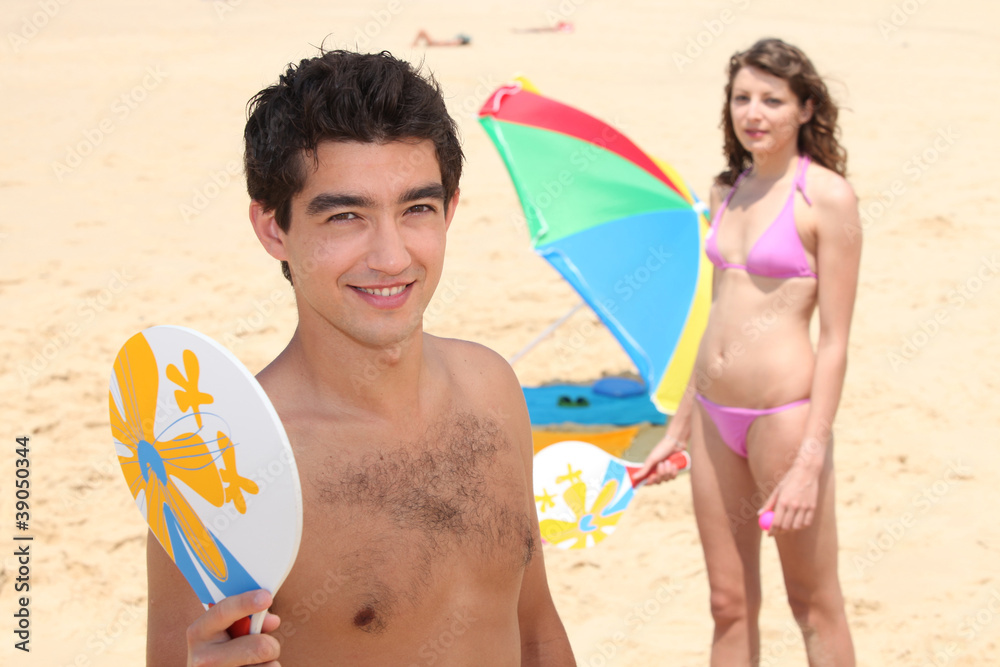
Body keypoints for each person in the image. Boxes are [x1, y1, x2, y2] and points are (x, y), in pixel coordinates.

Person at [145, 49, 576, 666]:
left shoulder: (492, 387)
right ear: (273, 230)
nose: (392, 256)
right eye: (346, 216)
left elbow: (534, 627)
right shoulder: (221, 462)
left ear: (451, 210)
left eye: (416, 209)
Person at [639, 38, 859, 665]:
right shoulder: (724, 192)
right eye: (741, 98)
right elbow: (713, 317)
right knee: (728, 604)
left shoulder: (828, 199)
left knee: (813, 605)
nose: (753, 112)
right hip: (712, 418)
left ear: (806, 108)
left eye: (771, 99)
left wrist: (809, 461)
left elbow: (837, 340)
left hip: (784, 420)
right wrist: (676, 428)